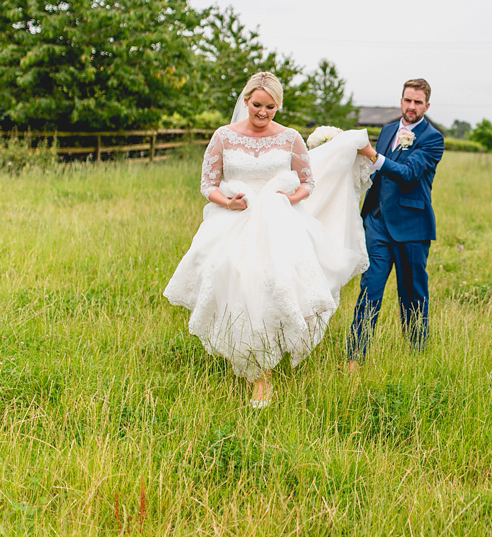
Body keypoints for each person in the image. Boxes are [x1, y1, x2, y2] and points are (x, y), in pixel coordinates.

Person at [164, 71, 369, 408]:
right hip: (236, 220)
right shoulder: (223, 136)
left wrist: (288, 198)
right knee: (238, 282)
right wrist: (227, 201)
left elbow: (308, 182)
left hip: (279, 222)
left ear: (278, 106)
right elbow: (208, 184)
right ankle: (248, 361)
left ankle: (264, 370)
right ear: (246, 101)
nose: (262, 113)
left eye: (270, 107)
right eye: (257, 105)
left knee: (274, 283)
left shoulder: (290, 138)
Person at [348, 78, 444, 369]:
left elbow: (408, 173)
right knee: (369, 291)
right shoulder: (388, 129)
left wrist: (372, 156)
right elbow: (374, 173)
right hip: (376, 224)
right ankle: (355, 358)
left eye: (417, 102)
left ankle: (416, 356)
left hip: (412, 227)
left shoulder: (432, 138)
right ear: (401, 101)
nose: (411, 106)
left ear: (426, 105)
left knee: (413, 295)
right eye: (407, 100)